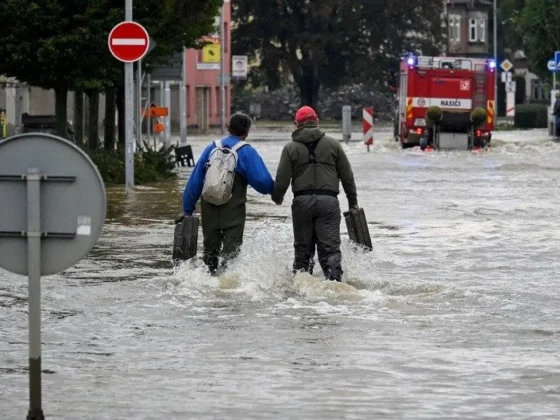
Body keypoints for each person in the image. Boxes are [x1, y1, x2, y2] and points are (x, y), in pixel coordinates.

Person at [272, 106, 359, 282]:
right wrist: (353, 202)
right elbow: (347, 176)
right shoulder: (334, 144)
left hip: (302, 203)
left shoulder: (290, 148)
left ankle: (302, 287)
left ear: (297, 124)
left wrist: (277, 198)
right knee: (330, 249)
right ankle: (334, 283)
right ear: (316, 122)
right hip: (329, 202)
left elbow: (282, 180)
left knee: (303, 249)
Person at [182, 112, 274, 275]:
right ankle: (227, 290)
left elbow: (195, 182)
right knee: (231, 255)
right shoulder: (246, 152)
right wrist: (275, 191)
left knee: (210, 252)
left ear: (228, 127)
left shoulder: (210, 148)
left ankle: (209, 284)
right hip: (233, 212)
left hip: (209, 209)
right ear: (246, 132)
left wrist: (187, 209)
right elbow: (263, 183)